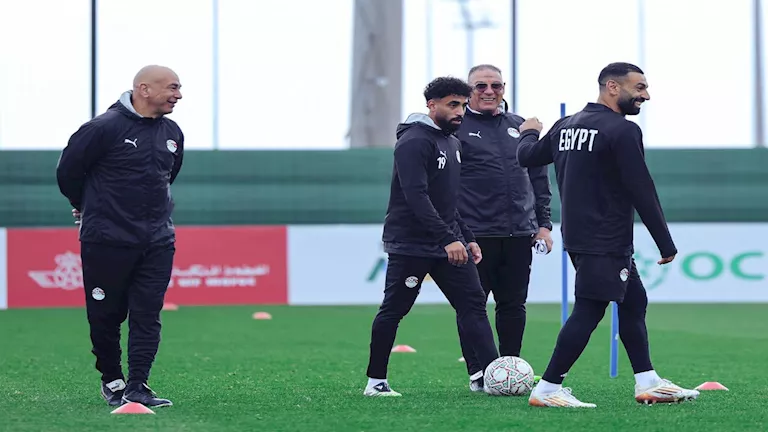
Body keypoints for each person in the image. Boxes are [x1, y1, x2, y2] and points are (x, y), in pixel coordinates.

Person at [515, 62, 699, 408]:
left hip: (582, 236)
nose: (646, 95)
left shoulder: (566, 125)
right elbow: (641, 188)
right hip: (606, 238)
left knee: (634, 302)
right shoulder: (623, 130)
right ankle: (548, 388)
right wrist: (665, 242)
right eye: (639, 87)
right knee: (589, 309)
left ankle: (648, 381)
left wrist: (529, 131)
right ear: (612, 87)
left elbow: (527, 156)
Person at [56, 65, 185, 408]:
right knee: (106, 315)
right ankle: (112, 380)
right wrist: (83, 205)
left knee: (147, 314)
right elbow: (67, 172)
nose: (178, 95)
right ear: (144, 89)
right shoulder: (103, 128)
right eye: (172, 88)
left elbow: (167, 175)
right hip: (106, 239)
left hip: (158, 240)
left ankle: (138, 385)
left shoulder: (172, 132)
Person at [363, 76, 500, 397]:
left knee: (474, 305)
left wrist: (467, 237)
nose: (460, 112)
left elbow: (449, 201)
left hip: (448, 242)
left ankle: (491, 376)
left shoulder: (452, 142)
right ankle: (375, 381)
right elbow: (416, 196)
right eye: (453, 105)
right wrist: (447, 238)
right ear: (431, 104)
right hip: (411, 243)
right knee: (394, 310)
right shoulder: (414, 141)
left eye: (463, 105)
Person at [454, 64, 553, 392]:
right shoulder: (456, 128)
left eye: (496, 85)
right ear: (469, 90)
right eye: (481, 85)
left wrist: (544, 224)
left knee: (513, 305)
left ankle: (510, 369)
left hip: (519, 233)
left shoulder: (519, 126)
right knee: (473, 306)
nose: (489, 91)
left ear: (504, 88)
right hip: (474, 235)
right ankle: (479, 372)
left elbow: (539, 178)